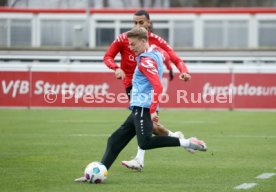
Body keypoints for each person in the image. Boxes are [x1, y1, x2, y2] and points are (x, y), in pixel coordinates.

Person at [75, 27, 206, 182]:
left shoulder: (146, 61)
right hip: (138, 107)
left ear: (143, 41)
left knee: (145, 142)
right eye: (129, 44)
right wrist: (180, 70)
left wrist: (152, 111)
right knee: (114, 140)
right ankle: (98, 171)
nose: (130, 48)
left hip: (143, 107)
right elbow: (168, 57)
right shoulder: (154, 50)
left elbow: (158, 86)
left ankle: (187, 143)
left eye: (133, 44)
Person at [103, 9, 192, 171]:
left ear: (149, 23)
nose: (137, 25)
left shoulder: (154, 42)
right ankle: (176, 138)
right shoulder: (126, 38)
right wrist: (115, 68)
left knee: (143, 125)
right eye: (135, 22)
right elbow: (107, 57)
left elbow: (175, 58)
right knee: (148, 126)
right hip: (130, 85)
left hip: (145, 89)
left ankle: (141, 158)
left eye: (141, 22)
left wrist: (183, 71)